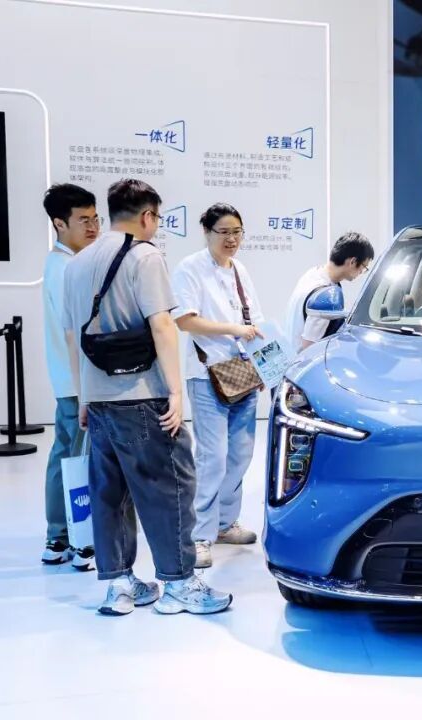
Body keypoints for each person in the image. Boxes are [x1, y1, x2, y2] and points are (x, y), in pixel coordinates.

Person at [63, 178, 231, 616]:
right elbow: (162, 325)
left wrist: (83, 397)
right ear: (147, 216)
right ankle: (179, 583)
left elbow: (72, 336)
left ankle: (120, 585)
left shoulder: (77, 263)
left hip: (98, 398)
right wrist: (175, 391)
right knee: (169, 485)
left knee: (109, 493)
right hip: (142, 394)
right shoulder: (145, 255)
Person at [172, 204, 265, 569]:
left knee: (240, 454)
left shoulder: (240, 270)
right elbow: (185, 320)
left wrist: (264, 367)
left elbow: (255, 324)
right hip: (207, 373)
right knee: (212, 458)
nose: (231, 239)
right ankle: (199, 535)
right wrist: (233, 330)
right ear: (206, 232)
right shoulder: (190, 268)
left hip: (242, 374)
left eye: (237, 231)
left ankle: (225, 524)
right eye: (223, 232)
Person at [41, 184, 99, 569]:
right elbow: (74, 334)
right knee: (76, 461)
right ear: (60, 224)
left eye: (95, 218)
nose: (92, 227)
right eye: (83, 220)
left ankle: (59, 537)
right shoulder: (67, 269)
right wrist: (85, 392)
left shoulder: (60, 263)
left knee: (64, 456)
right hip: (78, 384)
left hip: (69, 381)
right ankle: (75, 541)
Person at [285, 231, 374, 355]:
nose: (361, 273)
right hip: (301, 360)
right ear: (353, 262)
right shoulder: (325, 297)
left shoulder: (313, 273)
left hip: (289, 352)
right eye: (364, 267)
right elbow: (309, 350)